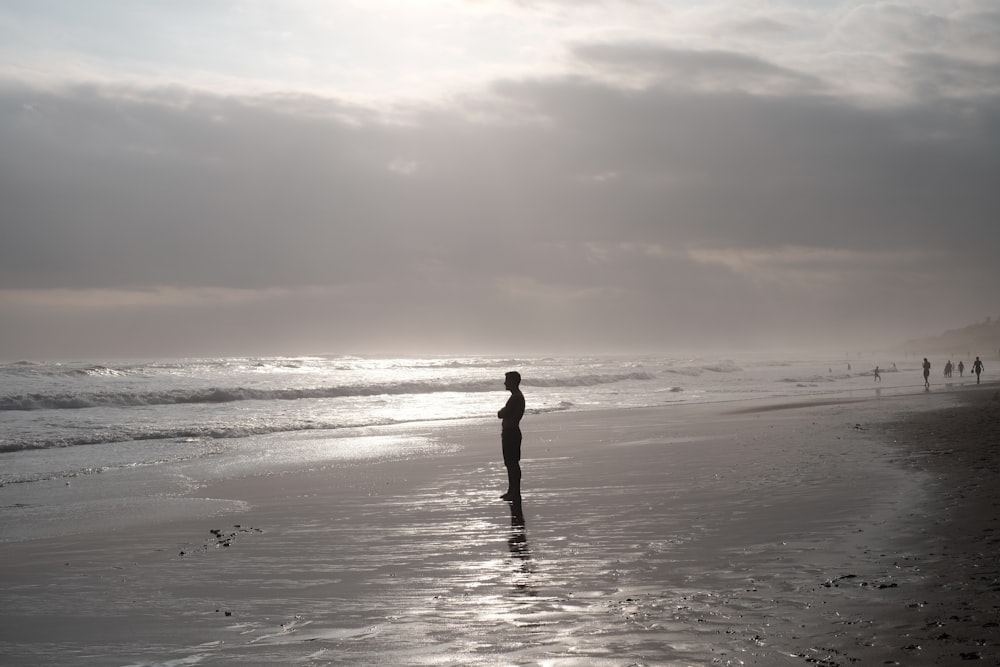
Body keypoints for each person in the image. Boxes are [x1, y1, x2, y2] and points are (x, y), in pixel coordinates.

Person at [497, 371, 525, 500]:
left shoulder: (516, 397)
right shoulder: (516, 396)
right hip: (512, 432)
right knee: (511, 463)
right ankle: (512, 490)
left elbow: (502, 413)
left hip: (511, 433)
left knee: (512, 463)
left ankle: (515, 491)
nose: (505, 383)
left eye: (507, 380)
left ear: (513, 382)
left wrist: (501, 411)